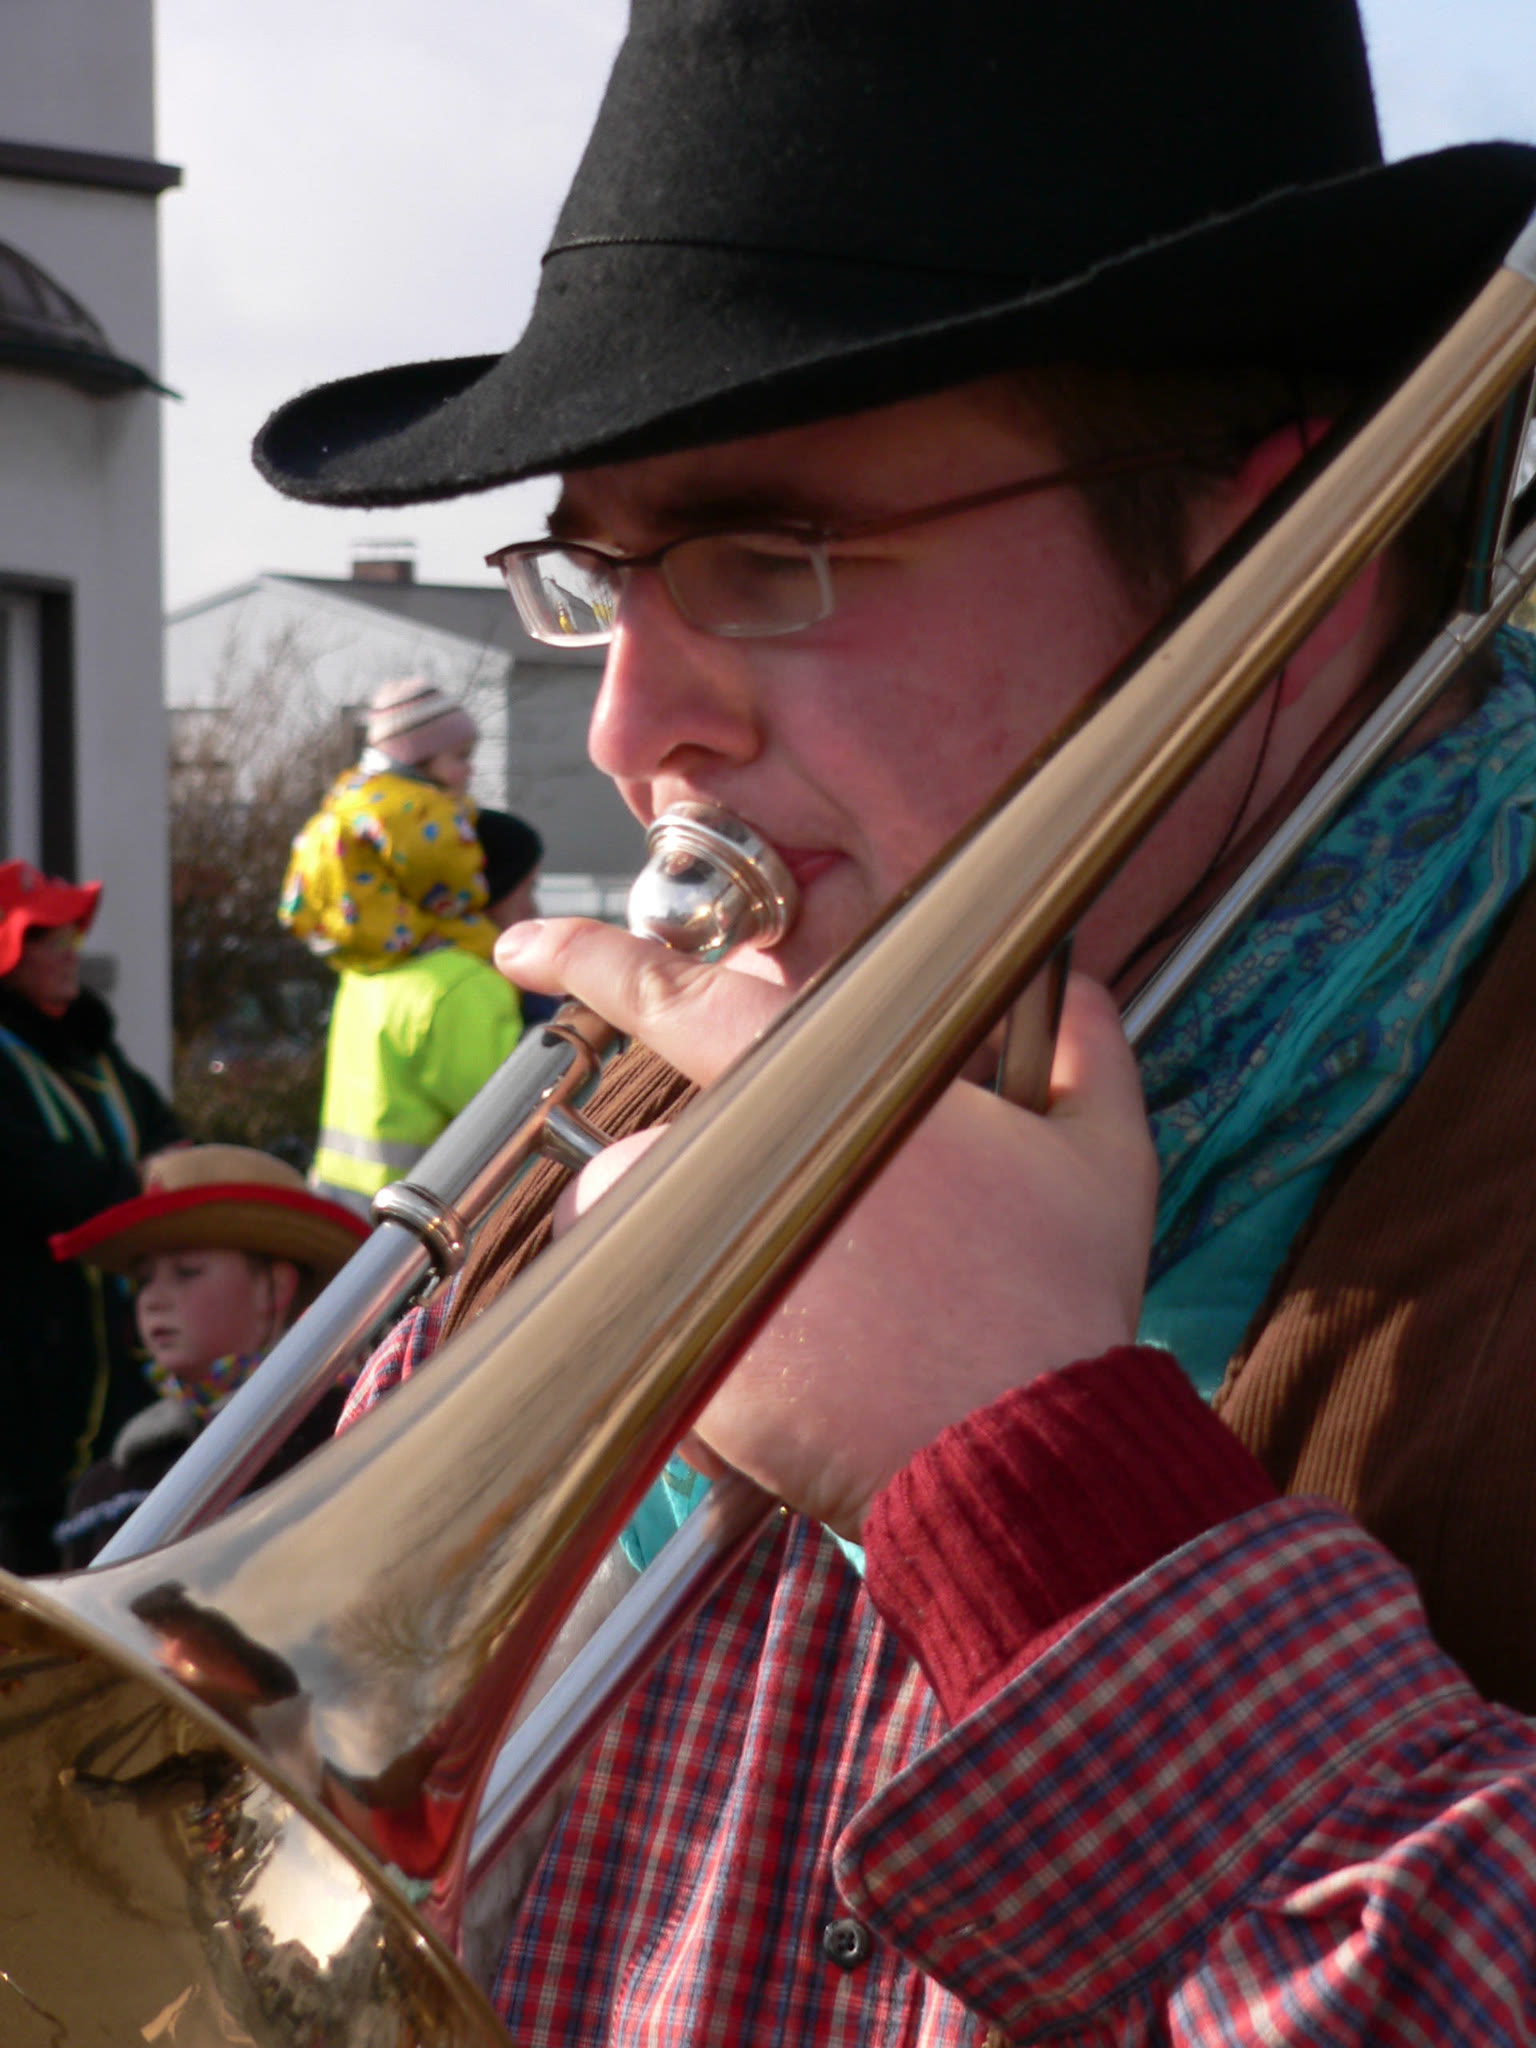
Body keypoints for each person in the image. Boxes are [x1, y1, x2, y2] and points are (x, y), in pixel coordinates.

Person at [252, 0, 1536, 2037]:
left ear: (1275, 561)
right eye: (598, 577)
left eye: (770, 554)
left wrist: (1029, 1490)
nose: (628, 727)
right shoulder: (607, 1119)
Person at [47, 1143, 369, 1565]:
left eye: (187, 1272)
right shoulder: (110, 1487)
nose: (153, 1300)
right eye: (143, 1280)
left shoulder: (345, 1434)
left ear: (274, 1288)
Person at [0, 858, 182, 1574]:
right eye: (48, 937)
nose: (70, 950)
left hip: (109, 1356)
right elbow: (33, 1178)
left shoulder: (95, 1049)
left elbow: (163, 1131)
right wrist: (134, 1183)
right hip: (23, 1370)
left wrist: (162, 1165)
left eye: (70, 933)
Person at [309, 806, 543, 1212]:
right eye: (526, 890)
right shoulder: (463, 984)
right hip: (421, 1221)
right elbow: (517, 1122)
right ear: (484, 895)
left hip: (342, 1210)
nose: (534, 909)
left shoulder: (372, 965)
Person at [279, 675, 497, 972]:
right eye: (461, 757)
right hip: (404, 936)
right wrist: (477, 890)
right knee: (496, 947)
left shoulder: (352, 795)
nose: (470, 769)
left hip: (353, 936)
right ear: (419, 758)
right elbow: (446, 880)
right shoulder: (418, 807)